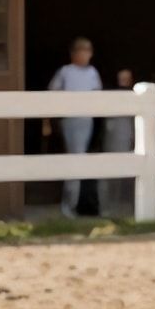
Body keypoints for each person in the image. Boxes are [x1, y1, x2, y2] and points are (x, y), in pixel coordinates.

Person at [47, 37, 103, 217]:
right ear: (73, 53)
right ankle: (68, 205)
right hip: (70, 121)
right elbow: (52, 93)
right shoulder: (65, 71)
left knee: (81, 158)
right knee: (75, 158)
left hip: (86, 120)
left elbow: (98, 94)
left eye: (88, 50)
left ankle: (76, 204)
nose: (86, 53)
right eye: (82, 50)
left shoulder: (93, 72)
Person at [100, 68, 137, 212]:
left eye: (126, 78)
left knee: (130, 172)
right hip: (113, 137)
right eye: (121, 78)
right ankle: (110, 204)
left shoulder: (135, 95)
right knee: (111, 172)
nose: (124, 81)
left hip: (128, 136)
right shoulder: (111, 96)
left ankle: (128, 204)